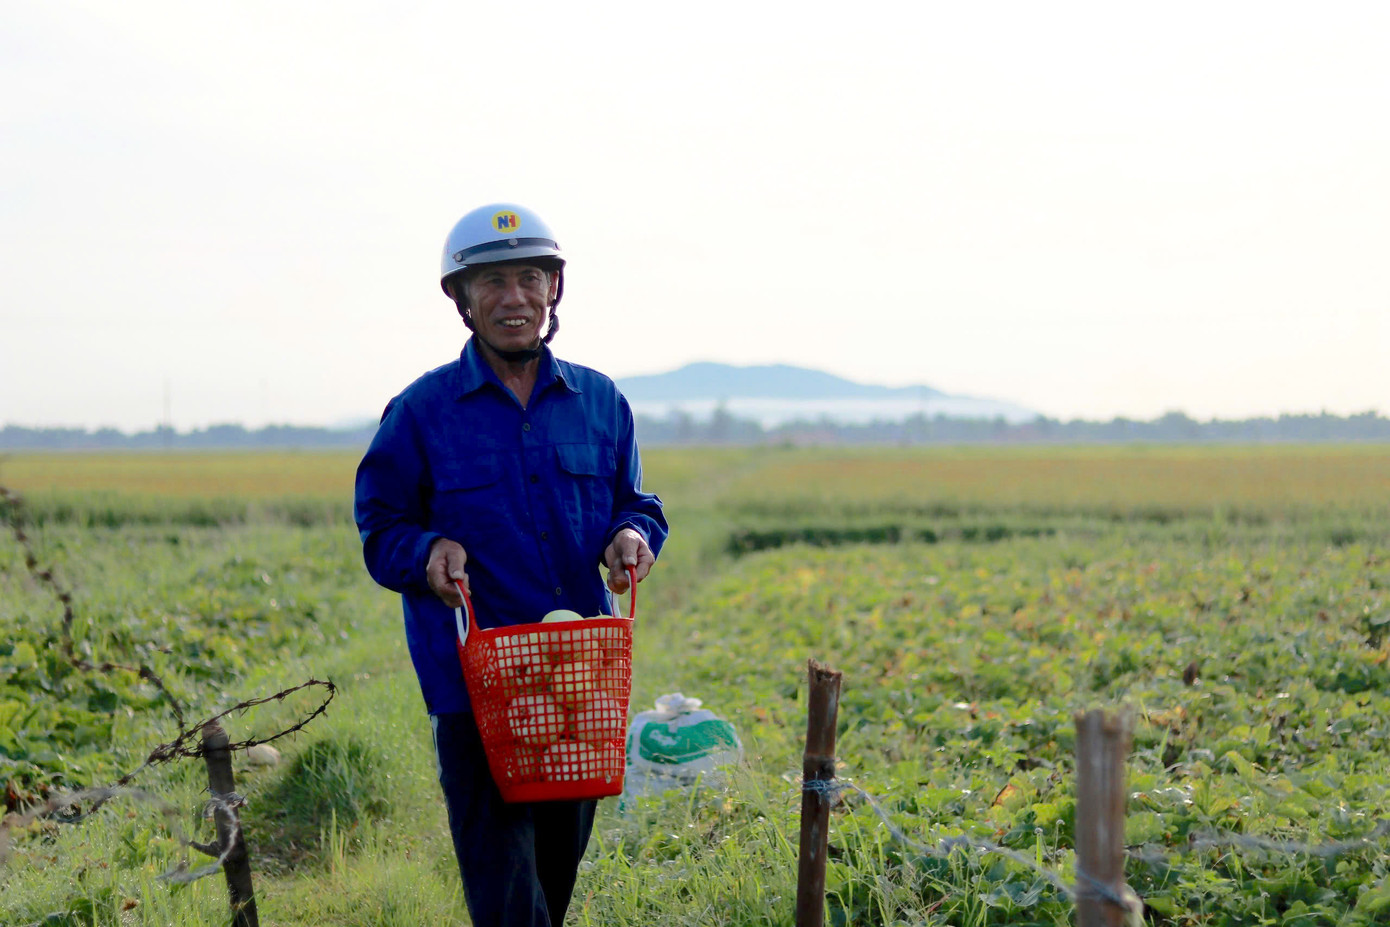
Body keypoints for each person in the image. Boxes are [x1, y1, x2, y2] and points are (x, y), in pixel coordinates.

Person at [354, 203, 668, 926]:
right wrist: (426, 551)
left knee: (553, 883)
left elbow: (636, 504)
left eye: (530, 277)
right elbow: (381, 527)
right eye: (492, 282)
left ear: (554, 288)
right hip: (475, 685)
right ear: (462, 298)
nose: (514, 297)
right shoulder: (421, 411)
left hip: (577, 682)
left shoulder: (600, 402)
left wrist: (630, 535)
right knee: (504, 894)